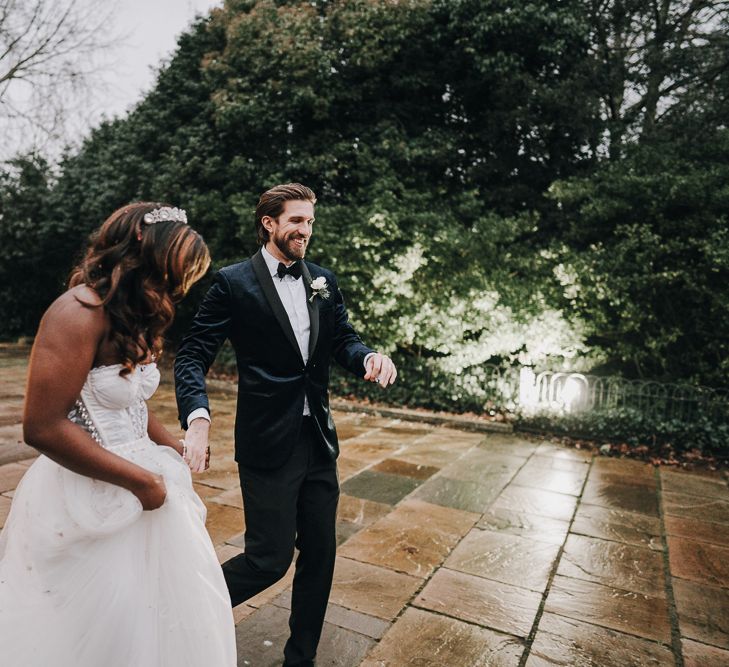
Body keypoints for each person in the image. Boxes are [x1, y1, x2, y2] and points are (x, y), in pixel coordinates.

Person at [0, 203, 236, 666]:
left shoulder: (134, 311)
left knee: (161, 619)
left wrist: (171, 443)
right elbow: (42, 426)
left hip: (145, 477)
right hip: (89, 486)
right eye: (175, 271)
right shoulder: (76, 314)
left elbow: (129, 400)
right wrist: (141, 481)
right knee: (99, 623)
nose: (178, 285)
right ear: (142, 255)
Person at [174, 183, 397, 666]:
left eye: (310, 221)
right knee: (267, 560)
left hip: (318, 438)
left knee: (320, 554)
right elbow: (192, 355)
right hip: (267, 441)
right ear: (269, 223)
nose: (305, 230)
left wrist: (368, 358)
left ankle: (301, 658)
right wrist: (197, 418)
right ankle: (178, 619)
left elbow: (344, 340)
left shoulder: (323, 280)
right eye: (296, 220)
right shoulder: (233, 283)